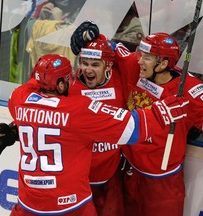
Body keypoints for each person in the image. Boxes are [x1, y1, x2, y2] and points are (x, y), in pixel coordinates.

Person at [70, 21, 203, 216]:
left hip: (161, 183)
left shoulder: (187, 89)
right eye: (140, 54)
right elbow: (113, 50)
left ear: (162, 64)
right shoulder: (134, 66)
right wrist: (91, 35)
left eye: (146, 58)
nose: (138, 61)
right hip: (127, 171)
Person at [0, 54, 189, 215]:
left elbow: (35, 93)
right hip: (71, 206)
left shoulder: (19, 99)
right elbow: (132, 130)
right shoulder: (78, 110)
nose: (72, 80)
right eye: (67, 78)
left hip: (28, 203)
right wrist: (164, 111)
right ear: (60, 84)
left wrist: (13, 131)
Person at [69, 34, 126, 216]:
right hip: (78, 181)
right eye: (85, 63)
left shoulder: (121, 80)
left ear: (107, 66)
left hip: (111, 178)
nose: (88, 70)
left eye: (95, 65)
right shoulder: (68, 86)